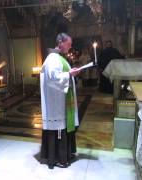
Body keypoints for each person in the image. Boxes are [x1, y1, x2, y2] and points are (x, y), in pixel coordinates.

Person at [40, 33, 81, 169]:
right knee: (58, 128)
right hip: (56, 103)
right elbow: (53, 78)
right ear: (60, 42)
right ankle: (58, 158)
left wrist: (71, 72)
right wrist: (69, 74)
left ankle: (65, 155)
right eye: (68, 44)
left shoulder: (59, 57)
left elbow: (60, 75)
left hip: (62, 100)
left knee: (64, 127)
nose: (70, 46)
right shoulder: (52, 58)